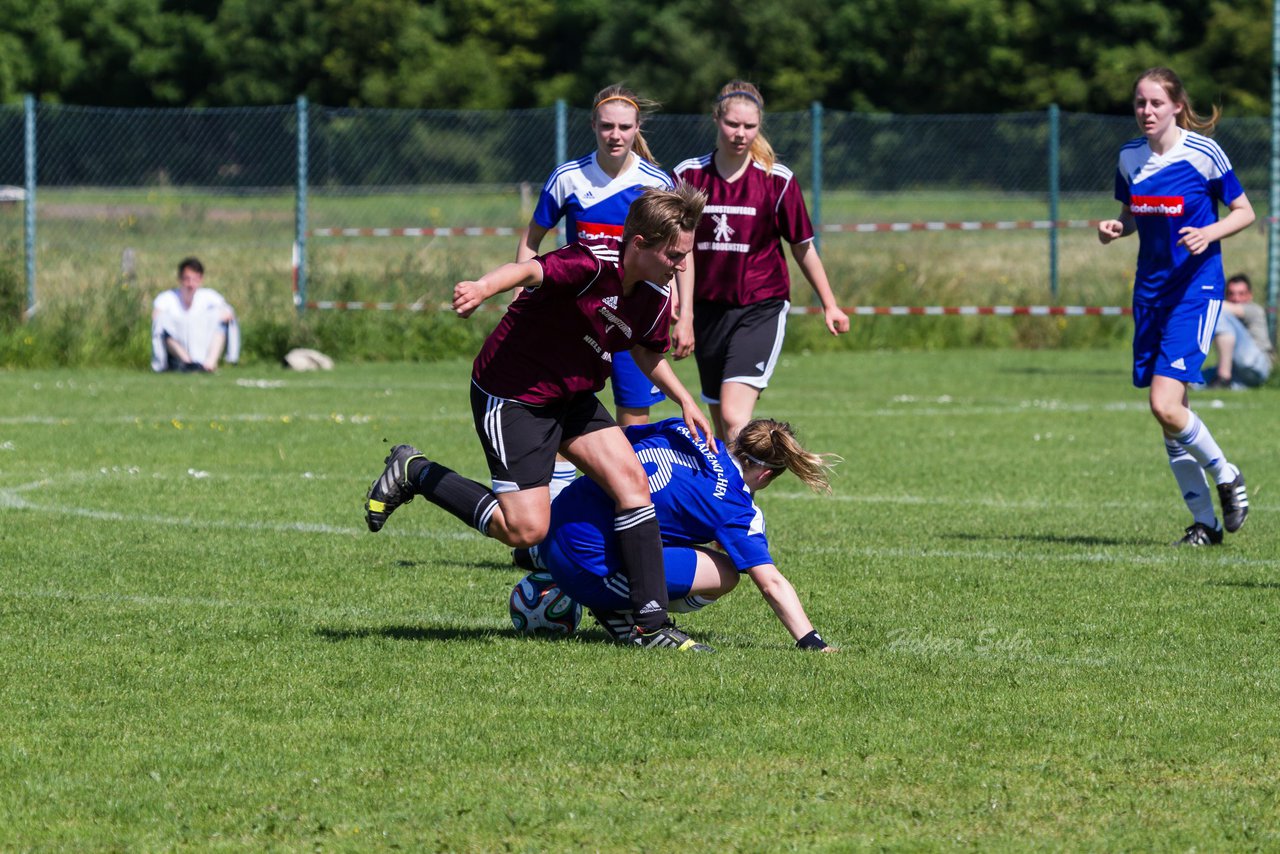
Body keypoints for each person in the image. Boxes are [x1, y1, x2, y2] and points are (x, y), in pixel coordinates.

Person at [363, 184, 716, 651]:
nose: (683, 265)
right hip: (514, 395)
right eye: (675, 254)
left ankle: (651, 626)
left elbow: (645, 352)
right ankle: (417, 471)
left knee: (633, 484)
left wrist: (686, 401)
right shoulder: (590, 263)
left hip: (572, 395)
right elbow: (530, 270)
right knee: (525, 529)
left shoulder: (654, 295)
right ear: (640, 244)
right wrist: (482, 288)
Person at [519, 416, 839, 652]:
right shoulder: (737, 508)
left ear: (739, 438)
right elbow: (771, 583)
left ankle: (561, 569)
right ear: (767, 474)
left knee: (649, 522)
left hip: (552, 526)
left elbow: (612, 437)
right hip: (586, 569)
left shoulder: (684, 427)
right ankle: (627, 610)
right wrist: (812, 641)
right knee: (727, 573)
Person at [1098, 67, 1254, 546]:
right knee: (1170, 415)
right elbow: (1132, 216)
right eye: (1140, 103)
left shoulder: (1204, 154)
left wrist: (1209, 233)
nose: (1147, 112)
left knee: (1163, 404)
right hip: (1151, 292)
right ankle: (1204, 525)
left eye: (1156, 104)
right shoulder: (1129, 157)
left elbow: (1245, 212)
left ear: (1177, 106)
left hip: (1196, 289)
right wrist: (1116, 228)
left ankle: (1227, 475)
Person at [518, 84, 676, 499]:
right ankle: (554, 518)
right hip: (576, 319)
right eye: (607, 126)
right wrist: (522, 292)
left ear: (637, 127)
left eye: (625, 126)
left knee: (634, 421)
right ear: (593, 126)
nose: (616, 134)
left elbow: (678, 254)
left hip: (629, 320)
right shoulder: (569, 177)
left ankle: (632, 512)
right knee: (563, 414)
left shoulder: (656, 182)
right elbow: (532, 240)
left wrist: (683, 311)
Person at [672, 80, 850, 442]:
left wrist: (829, 304)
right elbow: (679, 250)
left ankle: (744, 497)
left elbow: (803, 246)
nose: (740, 134)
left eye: (749, 126)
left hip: (760, 306)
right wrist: (683, 311)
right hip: (707, 311)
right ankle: (731, 497)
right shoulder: (688, 176)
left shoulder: (776, 180)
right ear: (716, 120)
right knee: (719, 430)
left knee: (736, 417)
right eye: (732, 124)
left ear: (759, 127)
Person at [151, 257, 239, 373]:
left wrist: (202, 321)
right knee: (162, 325)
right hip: (177, 341)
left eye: (195, 279)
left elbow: (228, 314)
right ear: (180, 279)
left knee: (221, 324)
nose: (190, 284)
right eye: (187, 279)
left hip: (203, 339)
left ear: (201, 279)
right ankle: (189, 363)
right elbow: (156, 317)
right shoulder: (167, 298)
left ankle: (209, 364)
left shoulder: (210, 296)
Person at [1204, 273, 1274, 389]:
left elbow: (1222, 307)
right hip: (1236, 371)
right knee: (1191, 380)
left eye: (1241, 294)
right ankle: (1225, 379)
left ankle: (1223, 377)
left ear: (1250, 295)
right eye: (1231, 294)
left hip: (1256, 365)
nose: (1236, 298)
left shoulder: (1254, 310)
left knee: (1217, 312)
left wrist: (1197, 299)